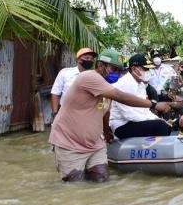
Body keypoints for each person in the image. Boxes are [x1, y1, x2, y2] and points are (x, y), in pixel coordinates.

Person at [48, 51, 171, 182]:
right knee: (75, 186)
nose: (116, 73)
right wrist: (152, 104)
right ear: (101, 65)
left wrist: (107, 132)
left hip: (95, 144)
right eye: (113, 69)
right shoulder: (89, 77)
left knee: (102, 181)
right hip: (70, 143)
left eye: (119, 70)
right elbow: (121, 97)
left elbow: (105, 112)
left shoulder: (107, 86)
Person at [109, 54, 172, 139]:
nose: (148, 72)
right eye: (145, 69)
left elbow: (144, 110)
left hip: (133, 121)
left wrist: (158, 118)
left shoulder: (141, 84)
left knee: (166, 125)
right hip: (122, 125)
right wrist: (155, 121)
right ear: (134, 69)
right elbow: (129, 114)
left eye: (148, 69)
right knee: (160, 126)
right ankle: (161, 151)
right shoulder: (124, 84)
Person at [50, 47, 96, 119]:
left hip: (86, 114)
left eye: (92, 59)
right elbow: (55, 93)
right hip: (65, 113)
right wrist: (55, 113)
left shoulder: (95, 77)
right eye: (87, 58)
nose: (90, 60)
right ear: (78, 60)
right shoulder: (65, 73)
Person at [160, 59, 183, 130]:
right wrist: (167, 94)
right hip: (172, 110)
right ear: (179, 68)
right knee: (168, 129)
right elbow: (163, 90)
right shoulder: (172, 79)